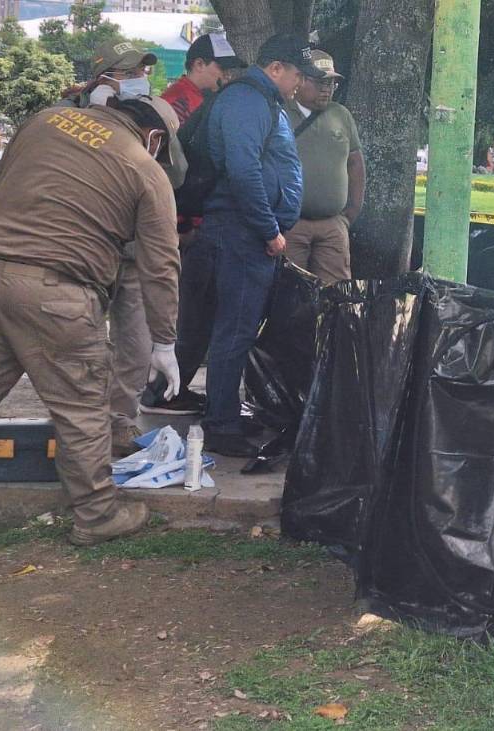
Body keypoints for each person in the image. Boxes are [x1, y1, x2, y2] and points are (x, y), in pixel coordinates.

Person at [0, 95, 182, 546]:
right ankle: (97, 514)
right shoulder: (145, 170)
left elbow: (9, 182)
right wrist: (164, 341)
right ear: (154, 138)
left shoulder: (45, 120)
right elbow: (161, 264)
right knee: (83, 410)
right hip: (58, 295)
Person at [198, 34, 322, 458]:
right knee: (234, 330)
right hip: (242, 232)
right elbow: (243, 169)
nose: (298, 84)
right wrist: (270, 230)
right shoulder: (247, 101)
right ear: (274, 68)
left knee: (239, 328)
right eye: (296, 75)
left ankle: (225, 413)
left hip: (246, 231)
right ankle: (220, 426)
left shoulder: (263, 102)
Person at [60, 41, 170, 457]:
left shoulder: (153, 115)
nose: (141, 80)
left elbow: (171, 175)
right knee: (81, 346)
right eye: (129, 73)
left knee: (137, 346)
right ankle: (80, 431)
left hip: (137, 251)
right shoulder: (68, 116)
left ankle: (121, 423)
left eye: (143, 71)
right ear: (103, 78)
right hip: (87, 253)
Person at [140, 32, 245, 418]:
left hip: (193, 221)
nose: (226, 76)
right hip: (184, 224)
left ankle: (171, 388)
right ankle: (164, 392)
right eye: (222, 68)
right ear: (198, 64)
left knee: (196, 310)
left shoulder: (204, 101)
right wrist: (182, 225)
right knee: (190, 312)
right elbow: (172, 173)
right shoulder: (177, 104)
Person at [283, 50, 365, 283]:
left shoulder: (341, 115)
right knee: (291, 294)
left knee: (336, 296)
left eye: (332, 83)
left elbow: (356, 164)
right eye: (321, 82)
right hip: (292, 225)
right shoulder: (281, 114)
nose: (327, 89)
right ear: (300, 79)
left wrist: (350, 213)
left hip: (332, 225)